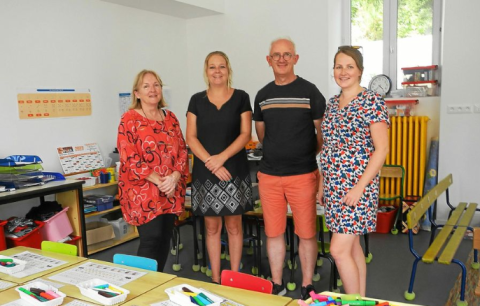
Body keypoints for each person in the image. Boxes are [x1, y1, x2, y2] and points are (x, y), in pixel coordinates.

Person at [253, 37, 326, 299]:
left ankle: (307, 283)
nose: (281, 59)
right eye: (276, 55)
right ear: (268, 60)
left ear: (296, 58)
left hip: (303, 175)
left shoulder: (311, 92)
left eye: (287, 54)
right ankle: (276, 282)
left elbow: (322, 133)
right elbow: (262, 135)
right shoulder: (262, 96)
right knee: (273, 233)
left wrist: (304, 153)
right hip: (270, 176)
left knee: (306, 233)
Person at [318, 46, 389, 295]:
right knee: (353, 246)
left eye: (349, 66)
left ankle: (351, 302)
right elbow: (328, 146)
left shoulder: (372, 101)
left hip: (358, 188)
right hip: (334, 187)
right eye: (339, 66)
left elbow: (381, 150)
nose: (343, 71)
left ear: (360, 71)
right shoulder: (332, 103)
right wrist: (322, 183)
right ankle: (361, 299)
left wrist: (359, 188)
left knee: (338, 250)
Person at [186, 51, 253, 284]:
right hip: (206, 171)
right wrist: (211, 163)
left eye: (222, 67)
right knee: (211, 227)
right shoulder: (196, 100)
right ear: (206, 71)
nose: (217, 71)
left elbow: (246, 134)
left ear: (228, 70)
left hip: (233, 169)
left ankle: (234, 277)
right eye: (212, 67)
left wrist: (221, 158)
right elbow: (191, 138)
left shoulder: (242, 97)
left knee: (234, 226)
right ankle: (215, 278)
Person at [117, 69, 189, 272]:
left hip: (170, 190)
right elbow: (128, 157)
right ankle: (142, 285)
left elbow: (182, 151)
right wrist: (160, 180)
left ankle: (156, 281)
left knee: (165, 238)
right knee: (151, 239)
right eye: (146, 86)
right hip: (143, 191)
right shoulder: (129, 119)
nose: (153, 89)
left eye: (156, 85)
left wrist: (174, 177)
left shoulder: (171, 118)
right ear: (137, 93)